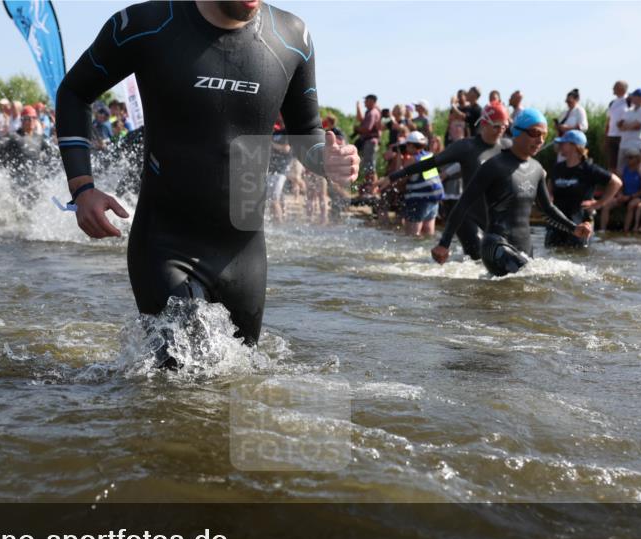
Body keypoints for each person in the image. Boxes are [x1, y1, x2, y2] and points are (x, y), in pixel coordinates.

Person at [55, 0, 358, 355]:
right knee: (177, 382)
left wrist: (328, 160)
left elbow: (306, 131)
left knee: (236, 390)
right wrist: (83, 187)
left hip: (243, 253)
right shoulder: (145, 24)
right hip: (166, 245)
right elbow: (75, 92)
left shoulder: (291, 37)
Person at [430, 108, 592, 276]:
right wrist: (444, 243)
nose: (540, 140)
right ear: (517, 131)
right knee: (532, 280)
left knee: (529, 285)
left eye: (544, 135)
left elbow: (547, 209)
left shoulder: (536, 169)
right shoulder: (494, 165)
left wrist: (574, 228)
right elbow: (463, 204)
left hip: (523, 248)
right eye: (535, 133)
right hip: (495, 245)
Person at [379, 102, 513, 260]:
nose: (501, 131)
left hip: (495, 219)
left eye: (504, 127)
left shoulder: (508, 147)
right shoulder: (466, 147)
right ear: (484, 123)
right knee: (478, 261)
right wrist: (393, 176)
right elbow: (430, 163)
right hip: (468, 216)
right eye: (496, 126)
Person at [546, 130, 621, 247]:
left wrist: (599, 203)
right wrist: (549, 196)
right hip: (557, 224)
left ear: (574, 146)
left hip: (581, 224)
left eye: (563, 143)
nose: (560, 146)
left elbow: (616, 182)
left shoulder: (589, 169)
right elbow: (550, 181)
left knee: (578, 259)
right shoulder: (558, 167)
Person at [399, 131, 443, 236]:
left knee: (411, 236)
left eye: (406, 145)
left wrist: (398, 158)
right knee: (428, 234)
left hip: (419, 200)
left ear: (411, 145)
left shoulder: (413, 160)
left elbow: (400, 179)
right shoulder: (429, 156)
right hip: (434, 199)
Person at [599, 151, 641, 232]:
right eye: (628, 158)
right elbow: (620, 184)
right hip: (623, 196)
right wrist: (620, 194)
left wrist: (630, 197)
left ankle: (626, 230)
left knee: (631, 206)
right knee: (606, 205)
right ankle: (602, 230)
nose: (628, 160)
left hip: (636, 197)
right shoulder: (624, 170)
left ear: (637, 159)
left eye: (631, 158)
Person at [617, 88, 641, 170]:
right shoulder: (629, 110)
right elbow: (619, 125)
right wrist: (628, 126)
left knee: (635, 168)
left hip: (635, 144)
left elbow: (636, 126)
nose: (632, 98)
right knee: (620, 169)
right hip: (623, 143)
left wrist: (626, 126)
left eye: (634, 96)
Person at [355, 93, 382, 184]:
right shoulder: (370, 112)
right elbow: (361, 119)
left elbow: (367, 128)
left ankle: (371, 188)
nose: (365, 102)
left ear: (371, 101)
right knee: (368, 164)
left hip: (370, 142)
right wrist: (358, 107)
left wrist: (358, 129)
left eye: (366, 100)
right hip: (369, 142)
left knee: (370, 165)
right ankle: (370, 187)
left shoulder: (372, 113)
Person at [605, 80, 629, 172]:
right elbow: (609, 120)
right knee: (611, 163)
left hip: (622, 136)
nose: (613, 89)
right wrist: (606, 136)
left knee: (621, 164)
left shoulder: (628, 101)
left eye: (615, 86)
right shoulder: (613, 103)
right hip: (612, 136)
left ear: (621, 88)